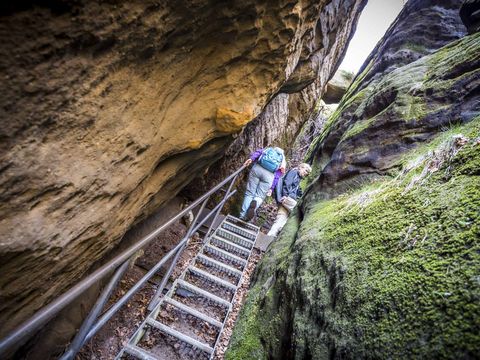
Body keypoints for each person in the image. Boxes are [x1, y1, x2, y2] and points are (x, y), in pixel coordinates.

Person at [239, 147, 286, 221]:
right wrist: (271, 188)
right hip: (269, 176)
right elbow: (277, 175)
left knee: (249, 193)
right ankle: (254, 205)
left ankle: (242, 215)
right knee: (260, 196)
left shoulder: (269, 149)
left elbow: (258, 152)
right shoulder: (282, 159)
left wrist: (251, 159)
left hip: (257, 169)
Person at [267, 163, 312, 237]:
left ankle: (270, 236)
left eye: (307, 173)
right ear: (301, 167)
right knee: (298, 209)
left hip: (287, 199)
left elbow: (296, 190)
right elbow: (287, 183)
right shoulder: (294, 172)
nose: (306, 173)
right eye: (306, 170)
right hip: (287, 198)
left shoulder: (298, 178)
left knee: (281, 219)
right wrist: (285, 195)